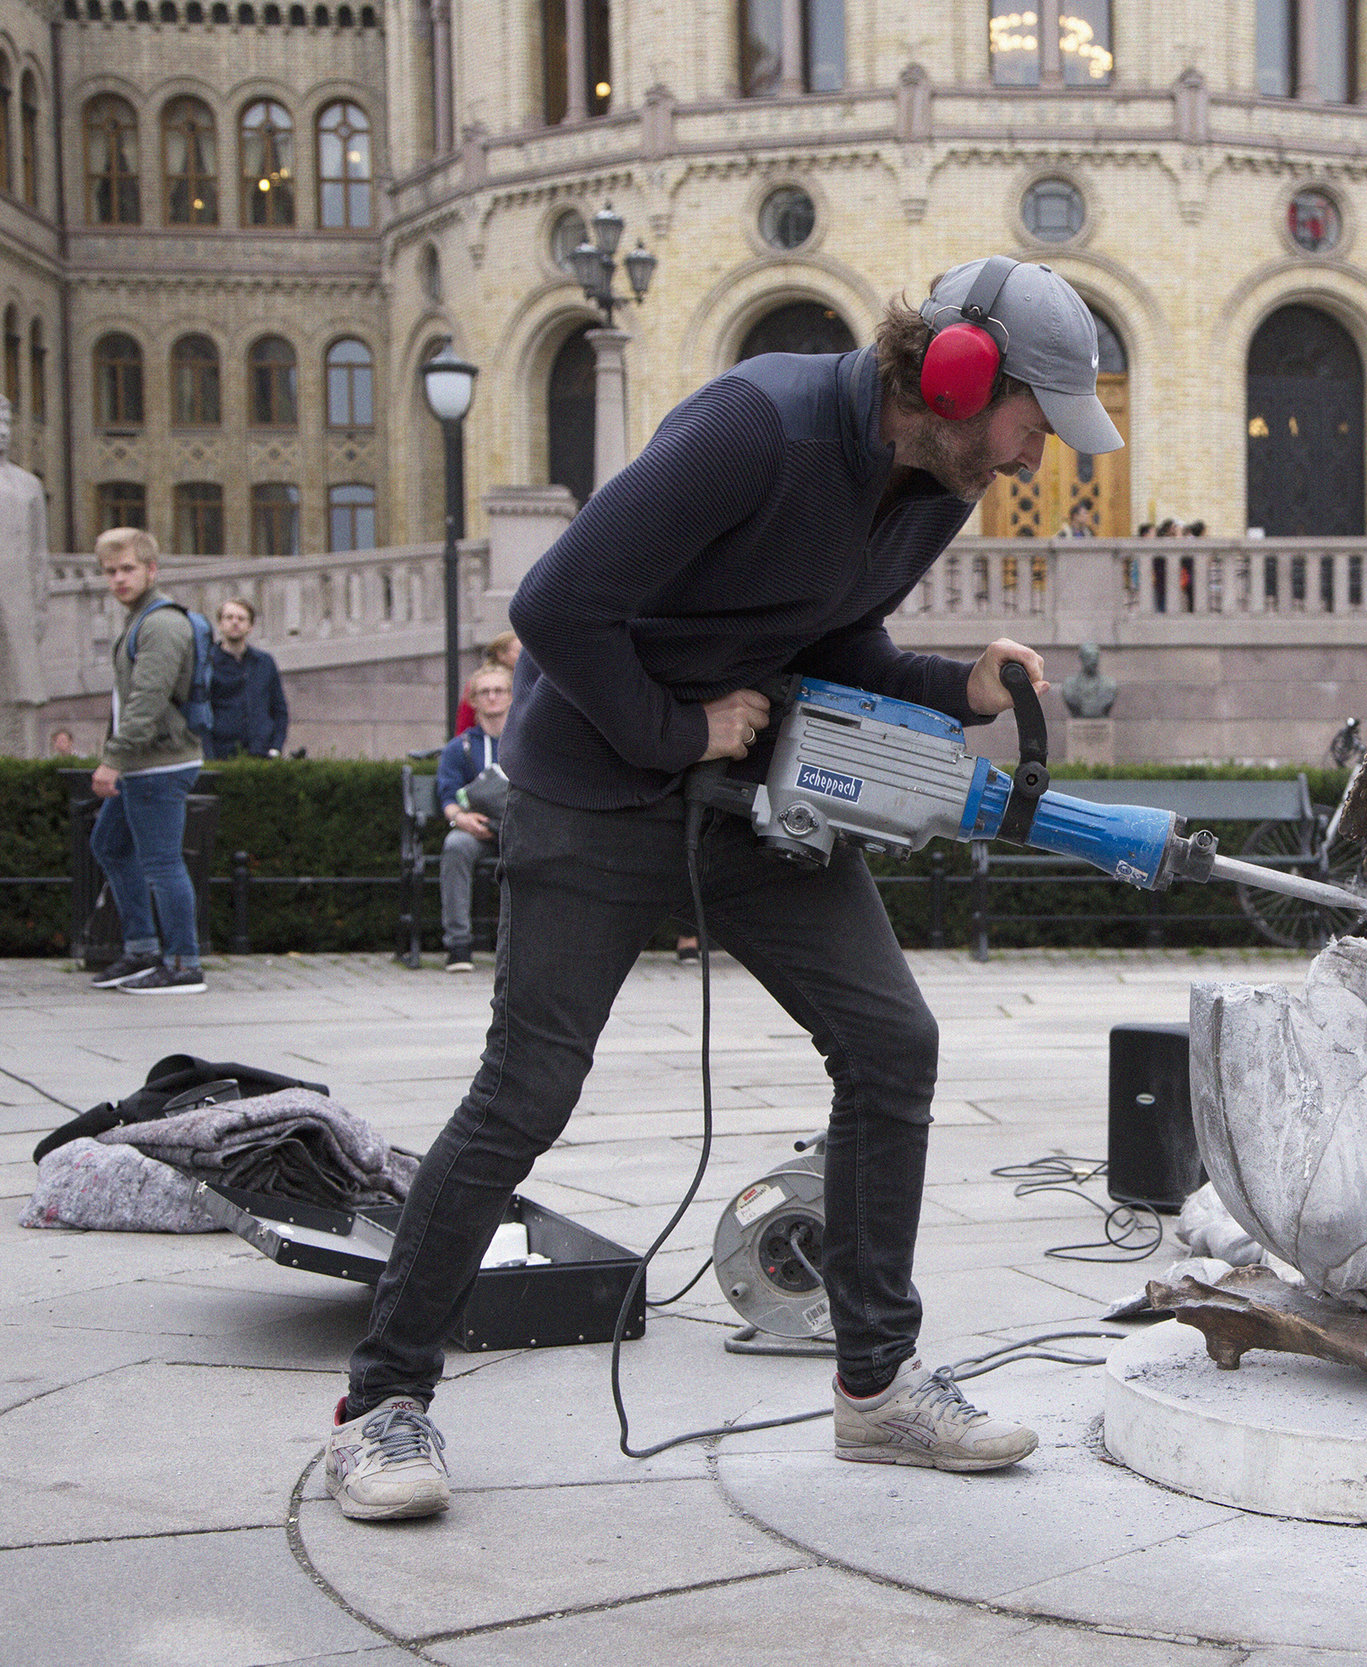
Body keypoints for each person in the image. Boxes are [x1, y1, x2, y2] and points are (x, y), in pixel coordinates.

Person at [321, 254, 1123, 1521]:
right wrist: (677, 727)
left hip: (747, 792)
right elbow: (556, 603)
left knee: (889, 1039)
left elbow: (826, 636)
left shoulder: (934, 484)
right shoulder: (758, 424)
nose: (1035, 457)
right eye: (1035, 423)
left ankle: (875, 1387)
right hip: (595, 781)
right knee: (526, 1090)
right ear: (965, 377)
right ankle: (382, 1405)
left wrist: (950, 684)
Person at [86, 528, 207, 996]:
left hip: (159, 763)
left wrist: (112, 759)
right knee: (110, 845)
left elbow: (146, 701)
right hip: (145, 761)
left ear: (151, 570)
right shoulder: (139, 619)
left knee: (161, 863)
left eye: (128, 569)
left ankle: (182, 964)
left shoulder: (161, 623)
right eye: (111, 571)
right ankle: (141, 950)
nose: (118, 578)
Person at [433, 663, 511, 972]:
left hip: (517, 830)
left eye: (499, 690)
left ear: (512, 697)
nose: (492, 697)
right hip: (474, 829)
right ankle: (459, 945)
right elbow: (447, 795)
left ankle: (527, 946)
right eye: (484, 692)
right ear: (473, 701)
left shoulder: (528, 744)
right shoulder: (459, 748)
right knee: (455, 846)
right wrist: (460, 819)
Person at [206, 597, 289, 759]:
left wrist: (276, 747)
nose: (235, 622)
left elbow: (279, 709)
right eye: (229, 618)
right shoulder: (207, 663)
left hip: (262, 753)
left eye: (241, 618)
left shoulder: (265, 662)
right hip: (222, 754)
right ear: (220, 624)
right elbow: (202, 711)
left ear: (250, 626)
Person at [452, 631, 519, 735]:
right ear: (501, 654)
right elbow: (464, 724)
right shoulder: (480, 682)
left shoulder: (526, 681)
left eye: (499, 691)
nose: (492, 696)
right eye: (519, 652)